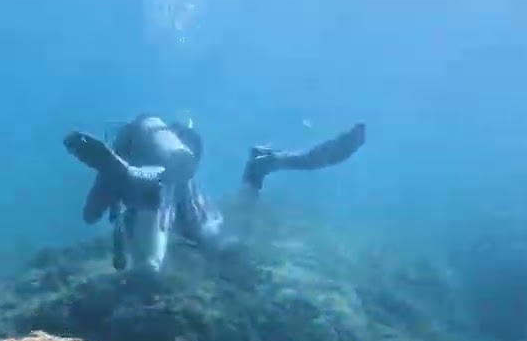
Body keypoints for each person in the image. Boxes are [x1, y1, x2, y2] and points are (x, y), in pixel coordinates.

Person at [63, 114, 366, 271]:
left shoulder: (121, 155)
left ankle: (140, 182)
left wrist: (113, 182)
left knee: (148, 267)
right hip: (187, 195)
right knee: (227, 243)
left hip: (158, 194)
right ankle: (259, 169)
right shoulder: (172, 155)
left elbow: (90, 215)